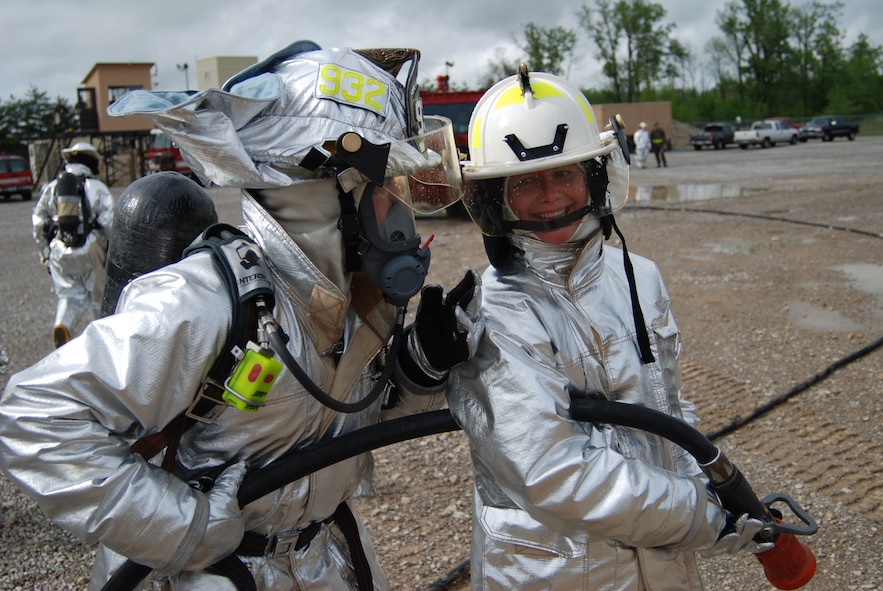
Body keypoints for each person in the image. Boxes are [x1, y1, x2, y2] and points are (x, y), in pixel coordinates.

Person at [0, 41, 480, 591]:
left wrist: (419, 370)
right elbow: (34, 418)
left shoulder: (356, 298)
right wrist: (184, 528)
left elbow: (348, 425)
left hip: (322, 558)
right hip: (216, 573)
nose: (400, 209)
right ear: (323, 193)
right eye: (387, 186)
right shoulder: (208, 300)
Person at [449, 71, 768, 590]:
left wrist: (702, 488)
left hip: (663, 562)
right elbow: (550, 472)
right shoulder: (494, 309)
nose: (550, 196)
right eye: (525, 181)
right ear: (494, 197)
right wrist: (704, 517)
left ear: (595, 177)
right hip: (554, 571)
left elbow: (670, 406)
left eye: (564, 173)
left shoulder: (640, 276)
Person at [31, 141, 114, 347]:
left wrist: (45, 253)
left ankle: (63, 325)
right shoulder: (96, 187)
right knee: (98, 297)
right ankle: (102, 343)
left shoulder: (52, 187)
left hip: (59, 248)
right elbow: (109, 224)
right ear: (91, 162)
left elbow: (39, 222)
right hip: (91, 246)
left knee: (69, 295)